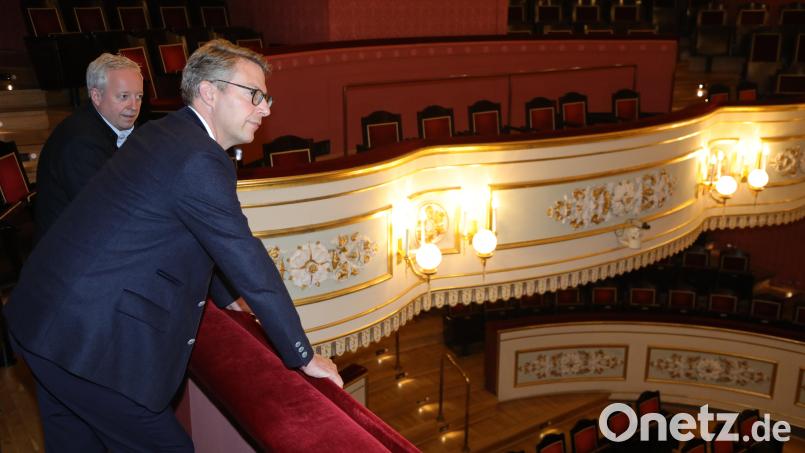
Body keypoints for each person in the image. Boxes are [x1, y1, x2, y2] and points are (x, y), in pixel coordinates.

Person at [4, 40, 342, 452]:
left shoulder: (168, 131)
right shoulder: (196, 157)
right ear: (209, 92)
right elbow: (245, 255)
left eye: (265, 97)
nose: (266, 108)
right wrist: (303, 355)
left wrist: (228, 297)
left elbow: (195, 233)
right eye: (254, 95)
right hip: (78, 342)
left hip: (42, 320)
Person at [35, 53, 143, 237]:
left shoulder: (117, 124)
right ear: (96, 96)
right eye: (124, 96)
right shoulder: (80, 143)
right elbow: (105, 212)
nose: (134, 106)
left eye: (139, 96)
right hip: (71, 250)